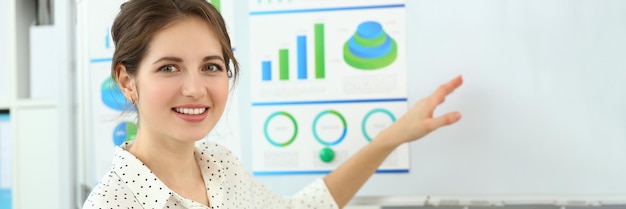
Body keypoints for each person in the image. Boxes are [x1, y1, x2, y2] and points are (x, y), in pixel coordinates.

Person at [82, 0, 463, 208]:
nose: (195, 88)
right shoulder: (114, 204)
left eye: (211, 66)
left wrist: (391, 138)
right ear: (127, 81)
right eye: (169, 68)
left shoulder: (218, 165)